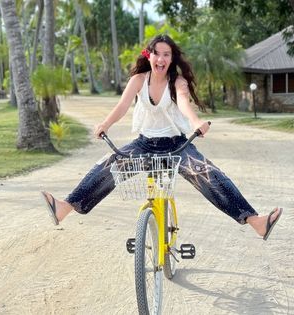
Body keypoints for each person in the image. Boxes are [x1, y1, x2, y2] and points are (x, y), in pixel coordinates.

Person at [41, 34, 282, 241]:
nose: (161, 59)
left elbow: (185, 105)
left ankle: (255, 221)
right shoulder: (138, 80)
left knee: (208, 173)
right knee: (107, 165)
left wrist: (196, 122)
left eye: (166, 54)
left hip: (177, 146)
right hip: (144, 144)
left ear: (171, 59)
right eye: (156, 53)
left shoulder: (177, 82)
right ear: (149, 56)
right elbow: (122, 106)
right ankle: (65, 207)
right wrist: (104, 124)